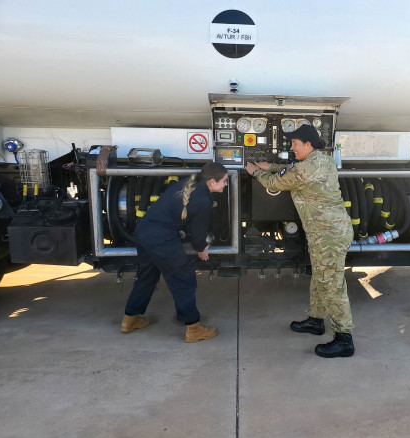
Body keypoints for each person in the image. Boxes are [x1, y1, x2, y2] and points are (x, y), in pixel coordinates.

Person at [245, 124, 355, 358]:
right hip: (326, 232)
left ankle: (344, 338)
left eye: (295, 144)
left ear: (308, 144)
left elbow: (276, 183)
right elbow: (291, 169)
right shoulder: (321, 160)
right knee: (320, 278)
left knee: (332, 284)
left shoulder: (307, 169)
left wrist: (255, 171)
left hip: (329, 236)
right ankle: (316, 321)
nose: (291, 147)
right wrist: (273, 165)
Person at [120, 162, 229, 343]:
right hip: (161, 238)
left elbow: (169, 212)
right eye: (224, 181)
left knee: (147, 276)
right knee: (184, 278)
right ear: (212, 182)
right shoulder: (203, 200)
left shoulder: (188, 184)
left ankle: (129, 319)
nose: (226, 184)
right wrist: (202, 249)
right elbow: (198, 236)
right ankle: (193, 329)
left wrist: (176, 229)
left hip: (144, 232)